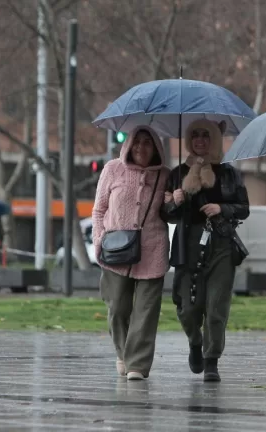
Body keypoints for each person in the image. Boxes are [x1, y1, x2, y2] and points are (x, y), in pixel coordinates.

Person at [161, 119, 250, 382]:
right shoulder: (176, 174)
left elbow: (243, 206)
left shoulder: (229, 173)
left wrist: (222, 208)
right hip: (187, 243)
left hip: (220, 243)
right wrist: (174, 202)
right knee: (187, 307)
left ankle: (212, 359)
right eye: (195, 135)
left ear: (214, 139)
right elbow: (164, 214)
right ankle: (195, 342)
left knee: (216, 306)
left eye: (206, 135)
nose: (200, 140)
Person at [92, 126, 170, 381]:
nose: (141, 148)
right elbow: (99, 209)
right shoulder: (112, 169)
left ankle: (137, 364)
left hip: (153, 248)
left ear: (157, 148)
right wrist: (98, 240)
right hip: (115, 249)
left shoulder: (165, 176)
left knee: (146, 311)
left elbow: (171, 213)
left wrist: (174, 200)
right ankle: (124, 353)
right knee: (118, 308)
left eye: (148, 143)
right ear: (128, 145)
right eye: (137, 142)